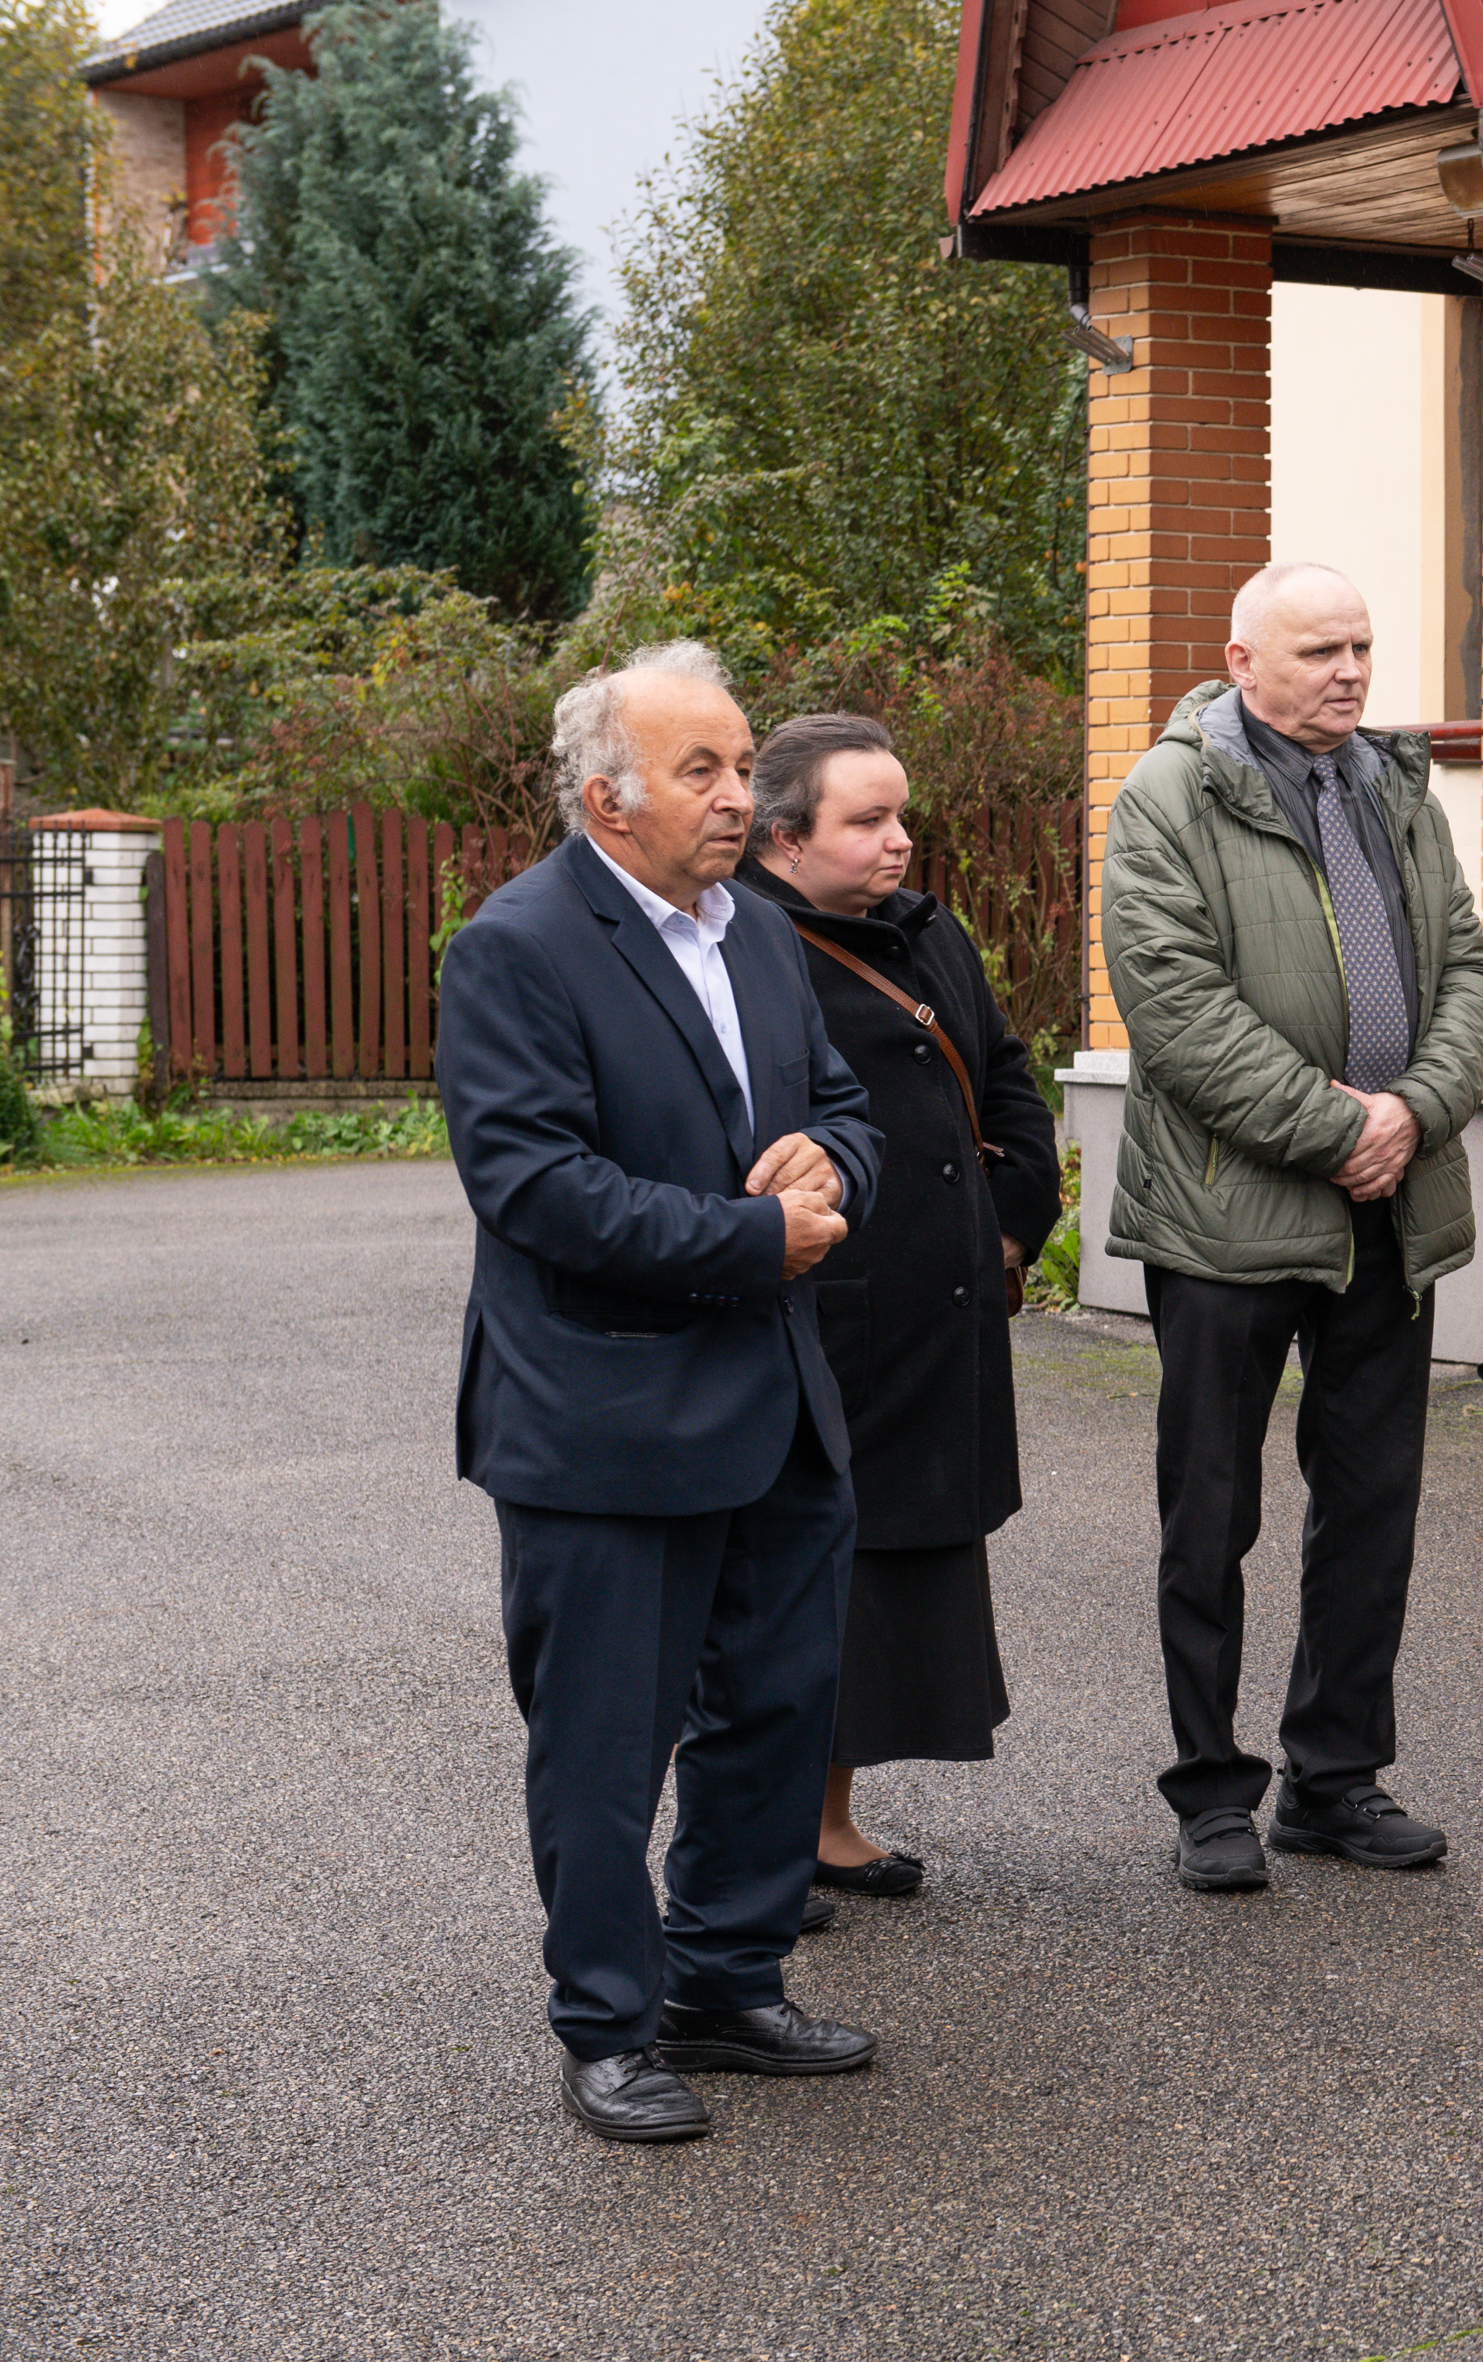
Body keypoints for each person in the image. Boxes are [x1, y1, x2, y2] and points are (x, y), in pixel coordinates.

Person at [434, 642, 886, 2143]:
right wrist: (757, 1235)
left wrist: (835, 1165)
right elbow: (536, 1185)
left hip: (772, 1403)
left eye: (744, 765)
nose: (737, 797)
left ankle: (725, 1980)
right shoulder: (519, 944)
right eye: (702, 770)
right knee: (604, 1743)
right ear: (604, 798)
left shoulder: (756, 931)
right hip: (603, 1422)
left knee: (771, 1708)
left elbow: (836, 1104)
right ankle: (609, 2025)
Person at [1101, 561, 1483, 1894]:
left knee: (1372, 1501)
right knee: (1210, 1509)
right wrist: (1342, 1128)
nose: (1346, 671)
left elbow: (1467, 969)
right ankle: (1211, 1791)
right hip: (1227, 1213)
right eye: (1319, 648)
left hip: (1392, 1211)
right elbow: (1176, 1011)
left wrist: (1416, 1111)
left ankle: (1334, 1776)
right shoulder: (1170, 792)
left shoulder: (1394, 785)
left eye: (1362, 648)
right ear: (1241, 657)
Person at [732, 714, 1059, 1900]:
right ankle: (762, 1841)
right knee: (806, 1585)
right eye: (867, 820)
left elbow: (1007, 1072)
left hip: (943, 1317)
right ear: (782, 836)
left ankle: (824, 1825)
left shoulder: (926, 932)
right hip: (834, 1322)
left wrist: (1017, 1217)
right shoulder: (747, 950)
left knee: (891, 1588)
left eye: (902, 815)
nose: (900, 841)